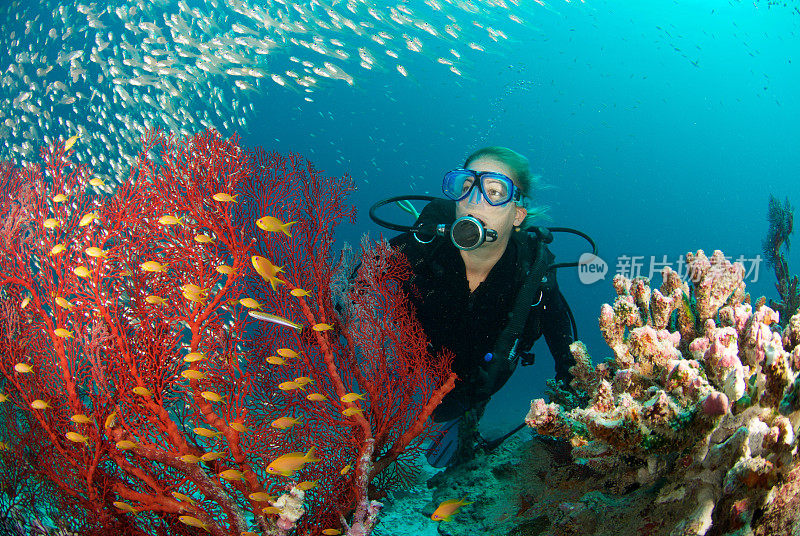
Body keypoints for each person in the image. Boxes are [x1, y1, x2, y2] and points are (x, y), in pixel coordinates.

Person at [388, 146, 576, 467]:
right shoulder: (422, 246)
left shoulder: (532, 275)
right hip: (411, 373)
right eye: (466, 187)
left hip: (478, 382)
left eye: (495, 191)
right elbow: (356, 292)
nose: (475, 199)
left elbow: (568, 360)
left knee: (459, 433)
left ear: (517, 214)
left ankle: (465, 428)